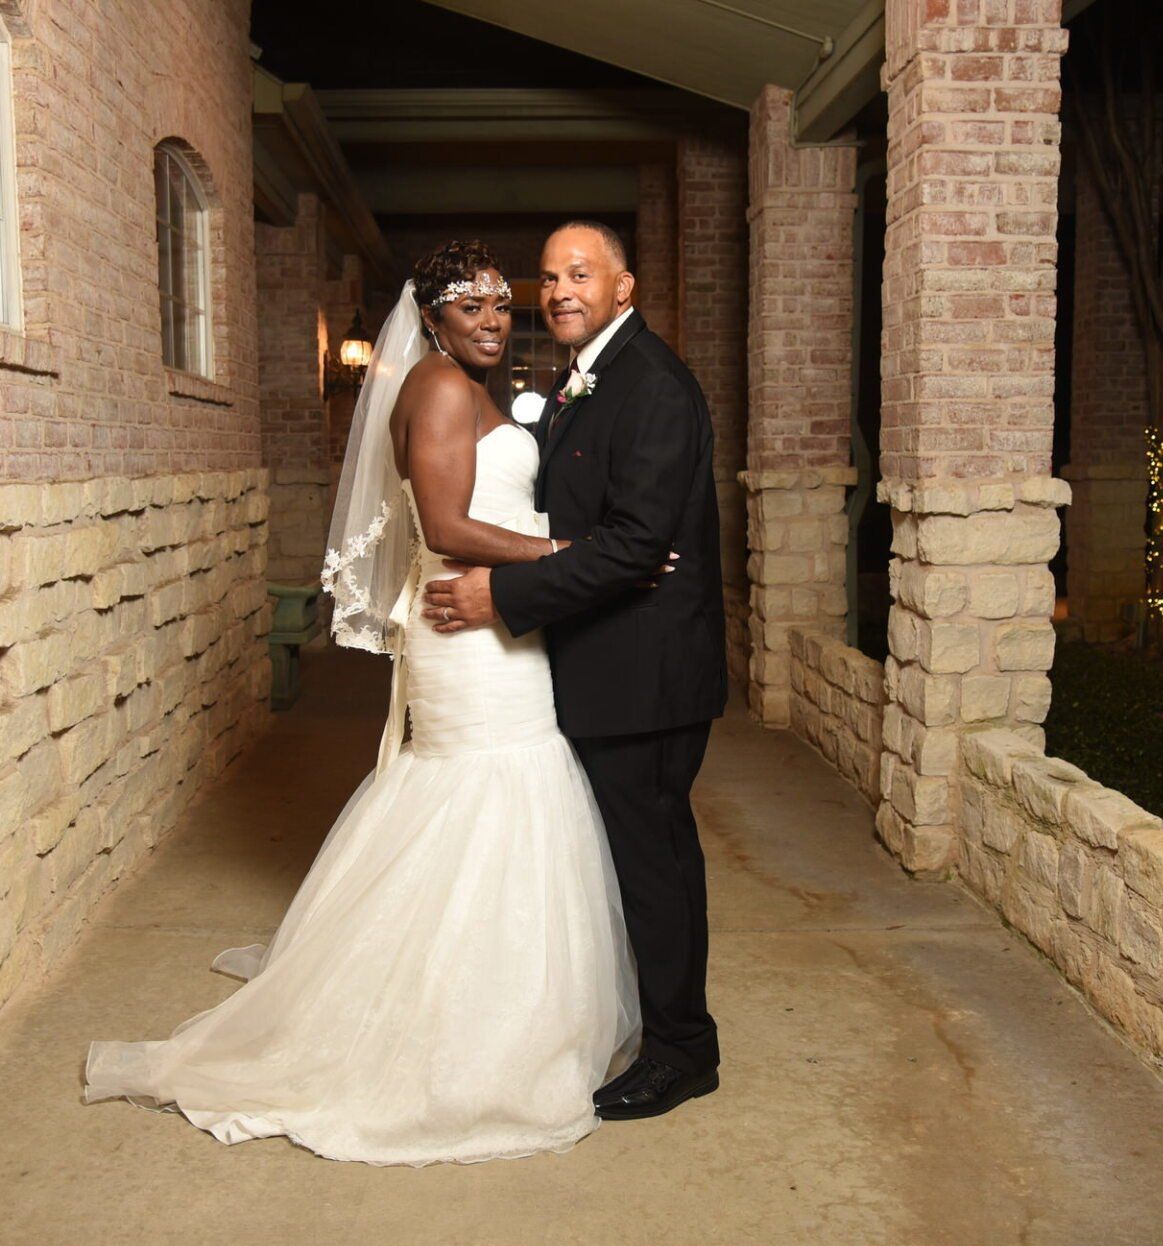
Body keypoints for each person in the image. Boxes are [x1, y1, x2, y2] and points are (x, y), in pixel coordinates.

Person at [83, 241, 640, 1164]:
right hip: (471, 633)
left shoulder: (454, 383)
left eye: (503, 304)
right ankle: (462, 1035)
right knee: (485, 793)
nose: (495, 320)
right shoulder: (443, 388)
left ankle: (490, 1006)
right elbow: (450, 526)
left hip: (492, 622)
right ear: (430, 320)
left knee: (494, 793)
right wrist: (568, 554)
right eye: (471, 308)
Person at [422, 220, 728, 1121]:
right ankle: (643, 1024)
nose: (558, 290)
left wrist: (504, 599)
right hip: (601, 662)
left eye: (580, 274)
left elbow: (636, 544)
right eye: (549, 276)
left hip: (649, 675)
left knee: (655, 862)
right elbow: (591, 523)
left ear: (622, 287)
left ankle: (683, 1051)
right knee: (621, 861)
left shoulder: (655, 386)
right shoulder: (582, 377)